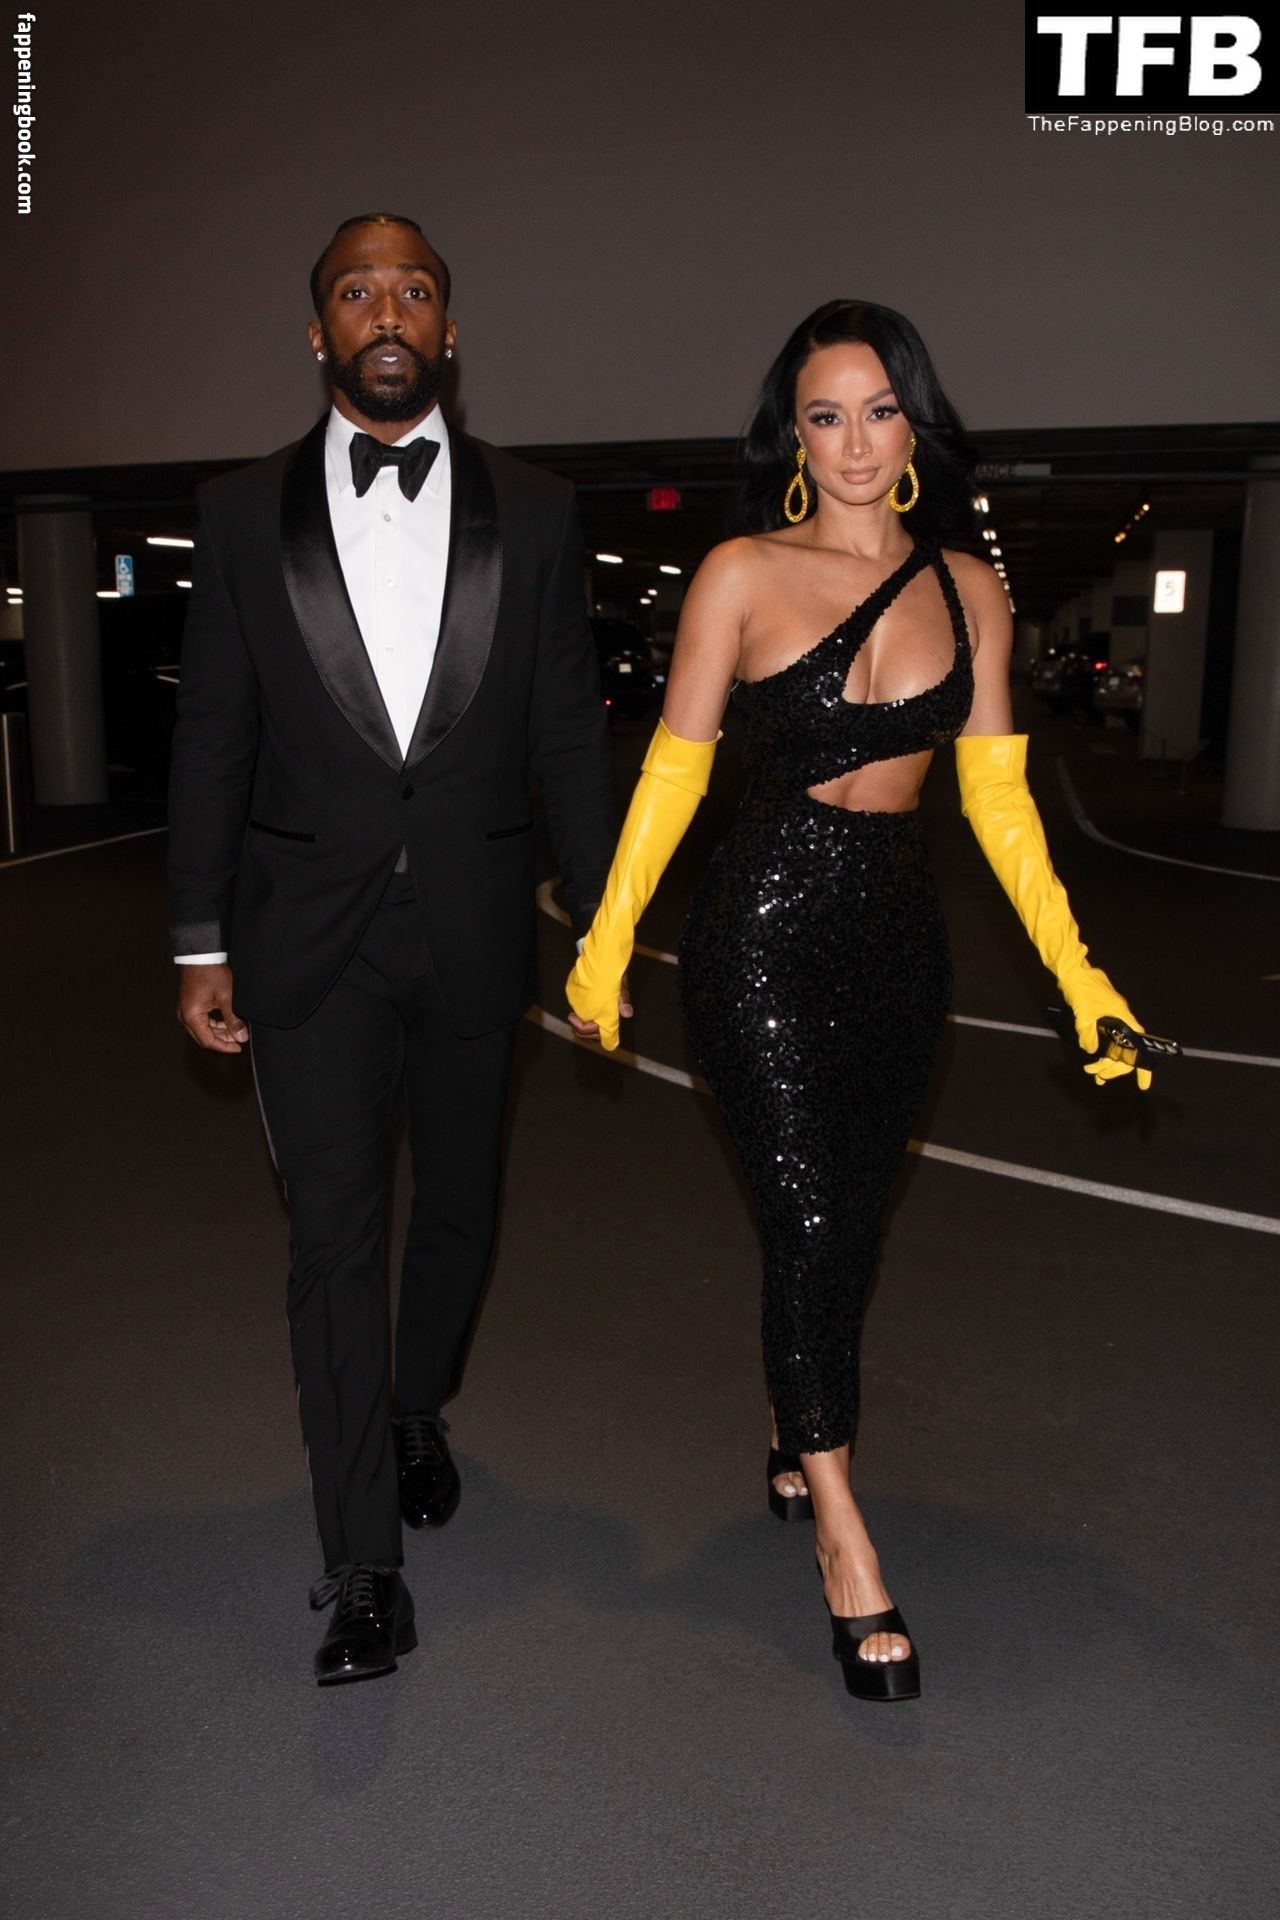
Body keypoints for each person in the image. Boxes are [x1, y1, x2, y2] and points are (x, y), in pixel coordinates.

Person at [566, 300, 1157, 1704]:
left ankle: (797, 1412)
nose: (852, 442)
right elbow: (672, 775)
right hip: (759, 935)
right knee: (811, 1217)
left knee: (848, 1220)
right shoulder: (741, 574)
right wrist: (607, 941)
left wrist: (1081, 979)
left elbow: (1001, 809)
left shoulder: (973, 589)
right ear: (794, 436)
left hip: (899, 940)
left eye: (878, 411)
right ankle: (843, 1531)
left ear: (914, 426)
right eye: (824, 415)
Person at [170, 212, 617, 1685]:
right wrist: (195, 939)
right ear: (318, 333)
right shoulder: (239, 514)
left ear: (448, 329)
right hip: (308, 938)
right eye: (356, 291)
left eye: (412, 290)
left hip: (478, 925)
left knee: (462, 1207)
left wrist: (602, 924)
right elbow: (212, 736)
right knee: (333, 1241)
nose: (385, 310)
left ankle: (419, 1401)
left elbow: (567, 736)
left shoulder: (536, 511)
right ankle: (363, 1564)